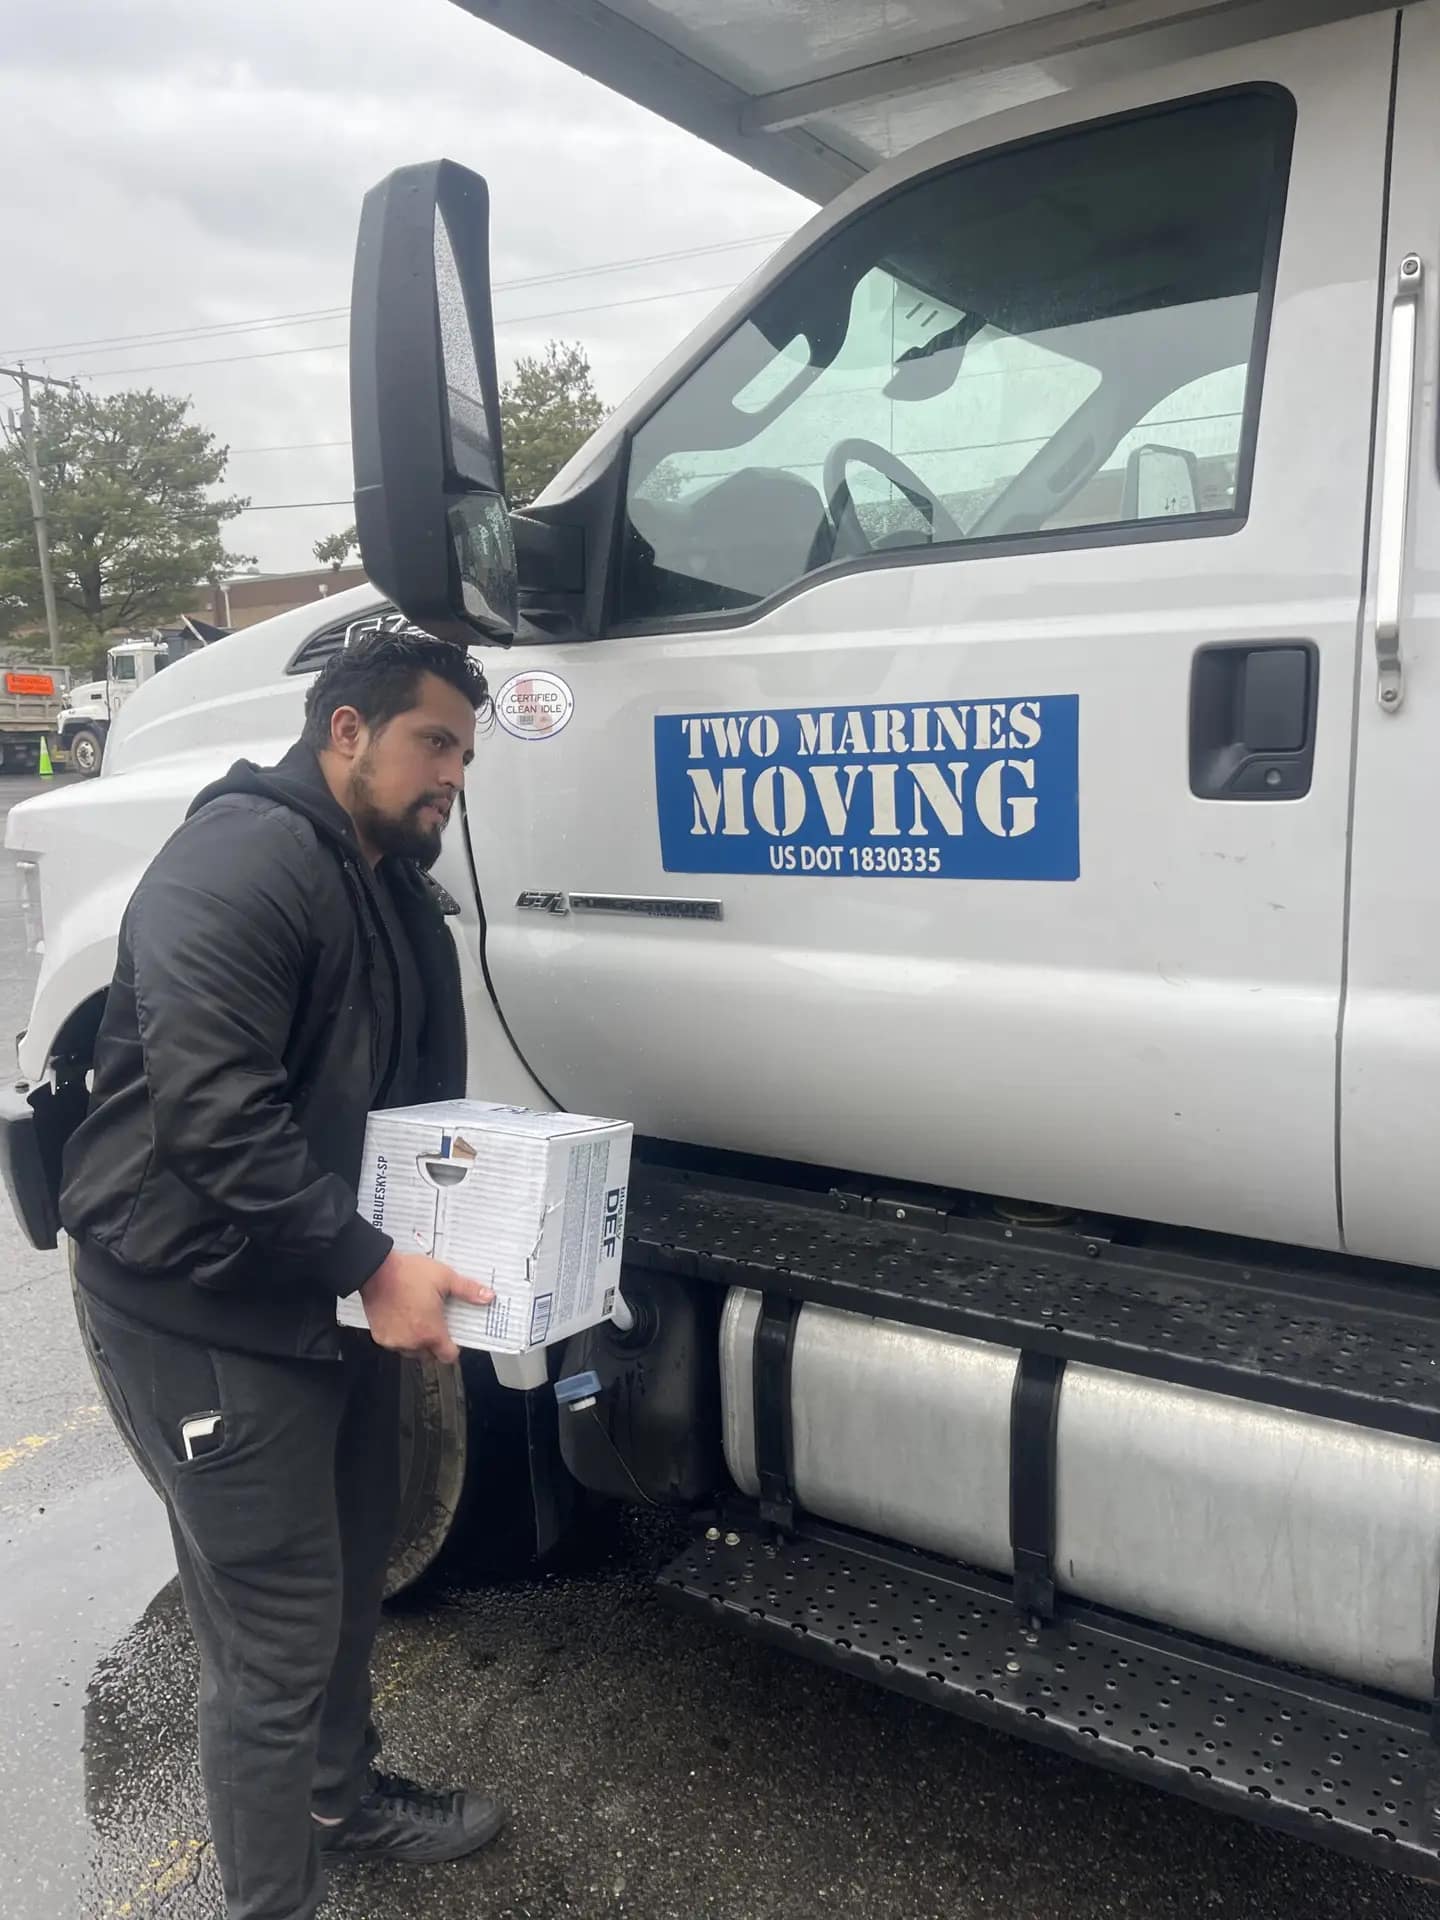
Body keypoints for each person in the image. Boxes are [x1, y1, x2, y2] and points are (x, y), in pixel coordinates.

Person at [62, 628, 506, 1920]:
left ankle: (342, 1798)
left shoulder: (367, 869)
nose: (452, 779)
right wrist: (374, 1265)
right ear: (345, 732)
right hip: (192, 1297)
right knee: (271, 1642)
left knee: (353, 1560)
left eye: (465, 756)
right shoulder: (245, 861)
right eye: (434, 744)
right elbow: (213, 1122)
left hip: (301, 1280)